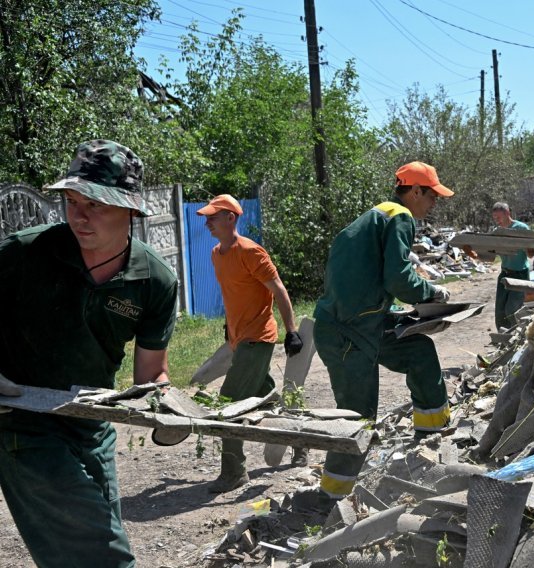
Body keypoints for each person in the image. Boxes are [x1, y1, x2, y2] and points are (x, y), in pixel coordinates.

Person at [0, 139, 179, 568]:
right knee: (103, 556)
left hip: (92, 422)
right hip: (23, 421)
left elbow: (151, 373)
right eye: (72, 201)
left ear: (131, 211)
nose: (78, 216)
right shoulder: (22, 255)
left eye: (95, 204)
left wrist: (170, 405)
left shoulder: (154, 279)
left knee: (102, 530)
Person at [313, 161, 453, 502]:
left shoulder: (375, 218)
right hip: (347, 335)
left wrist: (392, 310)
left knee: (417, 350)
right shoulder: (398, 217)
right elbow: (399, 280)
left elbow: (367, 280)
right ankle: (330, 500)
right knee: (359, 420)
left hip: (364, 325)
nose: (434, 203)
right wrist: (431, 293)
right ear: (416, 191)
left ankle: (430, 438)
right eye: (432, 196)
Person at [196, 194, 305, 493]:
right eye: (206, 218)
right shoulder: (217, 254)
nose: (207, 223)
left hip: (258, 339)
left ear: (230, 218)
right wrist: (228, 327)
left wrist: (291, 330)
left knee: (228, 404)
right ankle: (301, 441)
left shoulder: (252, 252)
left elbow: (279, 290)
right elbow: (235, 294)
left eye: (212, 217)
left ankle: (234, 473)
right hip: (239, 339)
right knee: (269, 401)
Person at [491, 202, 534, 331]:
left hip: (519, 274)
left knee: (512, 309)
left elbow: (531, 254)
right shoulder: (497, 232)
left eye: (499, 217)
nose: (497, 221)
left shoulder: (521, 228)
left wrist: (528, 247)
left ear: (507, 213)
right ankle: (502, 339)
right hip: (504, 274)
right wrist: (471, 252)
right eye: (495, 218)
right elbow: (490, 256)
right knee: (500, 311)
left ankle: (516, 336)